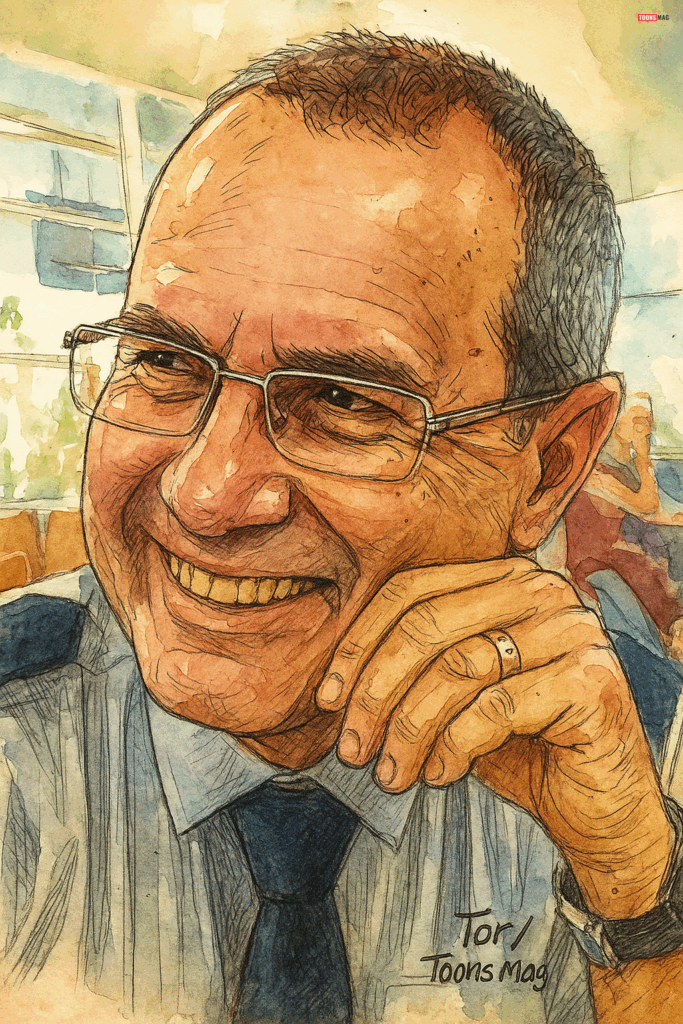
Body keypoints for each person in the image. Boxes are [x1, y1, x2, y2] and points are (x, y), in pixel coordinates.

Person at [1, 31, 683, 1024]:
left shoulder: (644, 744)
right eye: (163, 361)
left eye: (341, 400)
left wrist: (638, 899)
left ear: (549, 464)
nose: (206, 493)